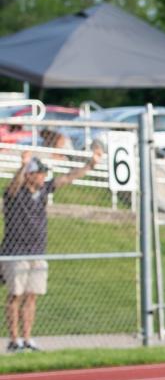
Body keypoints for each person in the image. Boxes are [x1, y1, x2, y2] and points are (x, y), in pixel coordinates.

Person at [3, 147, 102, 352]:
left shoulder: (44, 191)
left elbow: (67, 179)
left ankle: (27, 338)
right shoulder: (15, 194)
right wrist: (22, 165)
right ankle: (14, 340)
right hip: (16, 252)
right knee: (16, 295)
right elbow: (13, 187)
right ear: (30, 175)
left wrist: (90, 165)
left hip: (37, 252)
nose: (43, 177)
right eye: (40, 173)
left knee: (32, 296)